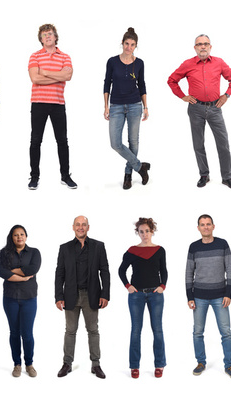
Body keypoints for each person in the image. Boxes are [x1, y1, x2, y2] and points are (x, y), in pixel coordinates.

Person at [168, 34, 231, 189]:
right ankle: (204, 175)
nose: (203, 47)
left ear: (210, 47)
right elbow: (171, 80)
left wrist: (226, 95)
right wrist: (183, 96)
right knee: (198, 143)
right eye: (199, 44)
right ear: (195, 48)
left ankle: (227, 177)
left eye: (206, 44)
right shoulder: (187, 64)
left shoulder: (219, 62)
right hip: (196, 108)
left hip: (215, 107)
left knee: (223, 143)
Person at [54, 215, 110, 379]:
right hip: (70, 295)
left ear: (88, 227)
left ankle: (96, 364)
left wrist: (105, 294)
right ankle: (67, 364)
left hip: (92, 294)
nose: (80, 227)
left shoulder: (99, 246)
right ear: (73, 227)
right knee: (70, 331)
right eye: (78, 225)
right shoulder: (64, 248)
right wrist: (58, 296)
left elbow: (105, 271)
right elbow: (60, 273)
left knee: (93, 330)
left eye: (83, 225)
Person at [186, 214, 231, 379]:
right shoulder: (194, 247)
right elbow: (189, 273)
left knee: (226, 332)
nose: (206, 227)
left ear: (213, 226)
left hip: (220, 296)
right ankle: (201, 362)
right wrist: (190, 296)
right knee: (197, 332)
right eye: (202, 225)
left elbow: (229, 269)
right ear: (198, 228)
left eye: (208, 224)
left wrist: (228, 293)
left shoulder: (222, 244)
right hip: (199, 296)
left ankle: (229, 365)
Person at [28, 24, 76, 190]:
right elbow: (35, 79)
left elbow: (68, 75)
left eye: (50, 34)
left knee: (62, 141)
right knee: (35, 141)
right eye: (44, 35)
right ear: (41, 39)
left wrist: (46, 73)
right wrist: (58, 76)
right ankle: (34, 177)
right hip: (39, 103)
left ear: (55, 37)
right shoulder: (35, 56)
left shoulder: (65, 56)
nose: (48, 36)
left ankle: (65, 175)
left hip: (57, 103)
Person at [119, 218, 168, 378]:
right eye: (141, 231)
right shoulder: (132, 250)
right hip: (136, 295)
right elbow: (121, 270)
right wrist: (128, 286)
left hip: (156, 294)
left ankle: (159, 365)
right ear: (137, 233)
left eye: (147, 231)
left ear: (152, 231)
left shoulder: (160, 250)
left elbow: (164, 271)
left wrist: (162, 286)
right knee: (135, 330)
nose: (145, 234)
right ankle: (134, 366)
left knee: (158, 330)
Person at [104, 27, 151, 190]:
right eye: (126, 43)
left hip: (134, 105)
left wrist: (146, 107)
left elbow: (142, 85)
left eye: (132, 45)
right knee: (115, 143)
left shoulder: (139, 63)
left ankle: (128, 174)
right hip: (116, 105)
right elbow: (107, 84)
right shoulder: (112, 61)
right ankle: (140, 167)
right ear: (122, 43)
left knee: (133, 142)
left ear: (135, 46)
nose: (128, 47)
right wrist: (106, 106)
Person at [0, 225, 41, 377]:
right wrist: (22, 274)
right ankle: (17, 364)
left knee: (27, 334)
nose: (19, 237)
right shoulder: (5, 253)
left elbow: (33, 269)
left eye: (22, 234)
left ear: (26, 237)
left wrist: (12, 270)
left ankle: (29, 364)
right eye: (16, 235)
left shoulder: (34, 252)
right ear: (12, 237)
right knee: (14, 333)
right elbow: (0, 272)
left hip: (29, 298)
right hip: (10, 298)